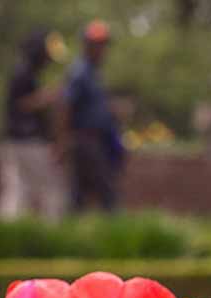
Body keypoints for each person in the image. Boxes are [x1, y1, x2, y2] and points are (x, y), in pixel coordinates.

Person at [0, 29, 66, 222]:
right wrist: (49, 96)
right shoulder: (23, 73)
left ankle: (8, 234)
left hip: (15, 140)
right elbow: (20, 104)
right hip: (27, 140)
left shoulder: (25, 72)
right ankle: (53, 231)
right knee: (53, 187)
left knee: (18, 189)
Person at [61, 20, 124, 213]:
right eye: (98, 44)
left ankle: (71, 234)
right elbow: (65, 105)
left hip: (99, 140)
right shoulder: (79, 72)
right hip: (85, 140)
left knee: (80, 197)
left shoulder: (94, 73)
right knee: (107, 193)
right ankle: (117, 235)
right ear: (87, 45)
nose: (102, 49)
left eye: (104, 44)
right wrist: (63, 139)